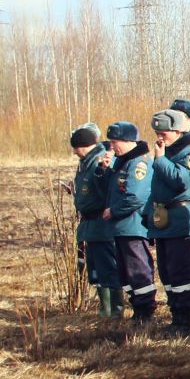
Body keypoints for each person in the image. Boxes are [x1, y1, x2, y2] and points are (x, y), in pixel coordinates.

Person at [148, 109, 190, 333]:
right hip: (163, 221)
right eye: (158, 133)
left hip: (180, 221)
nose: (160, 137)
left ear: (178, 130)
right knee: (167, 273)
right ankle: (174, 314)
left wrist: (159, 160)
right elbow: (157, 188)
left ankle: (184, 319)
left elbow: (181, 180)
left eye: (164, 133)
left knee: (180, 273)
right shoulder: (167, 152)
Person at [102, 121, 159, 325]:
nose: (112, 147)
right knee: (125, 273)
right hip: (121, 227)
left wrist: (113, 211)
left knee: (138, 270)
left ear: (127, 141)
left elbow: (135, 196)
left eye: (114, 142)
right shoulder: (123, 162)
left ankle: (146, 310)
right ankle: (138, 308)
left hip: (133, 227)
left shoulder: (139, 163)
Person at [67, 123, 121, 319]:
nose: (74, 152)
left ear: (80, 146)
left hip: (101, 225)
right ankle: (104, 310)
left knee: (108, 269)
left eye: (75, 148)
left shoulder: (99, 161)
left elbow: (106, 189)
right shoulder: (86, 163)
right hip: (90, 225)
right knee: (96, 271)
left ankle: (115, 311)